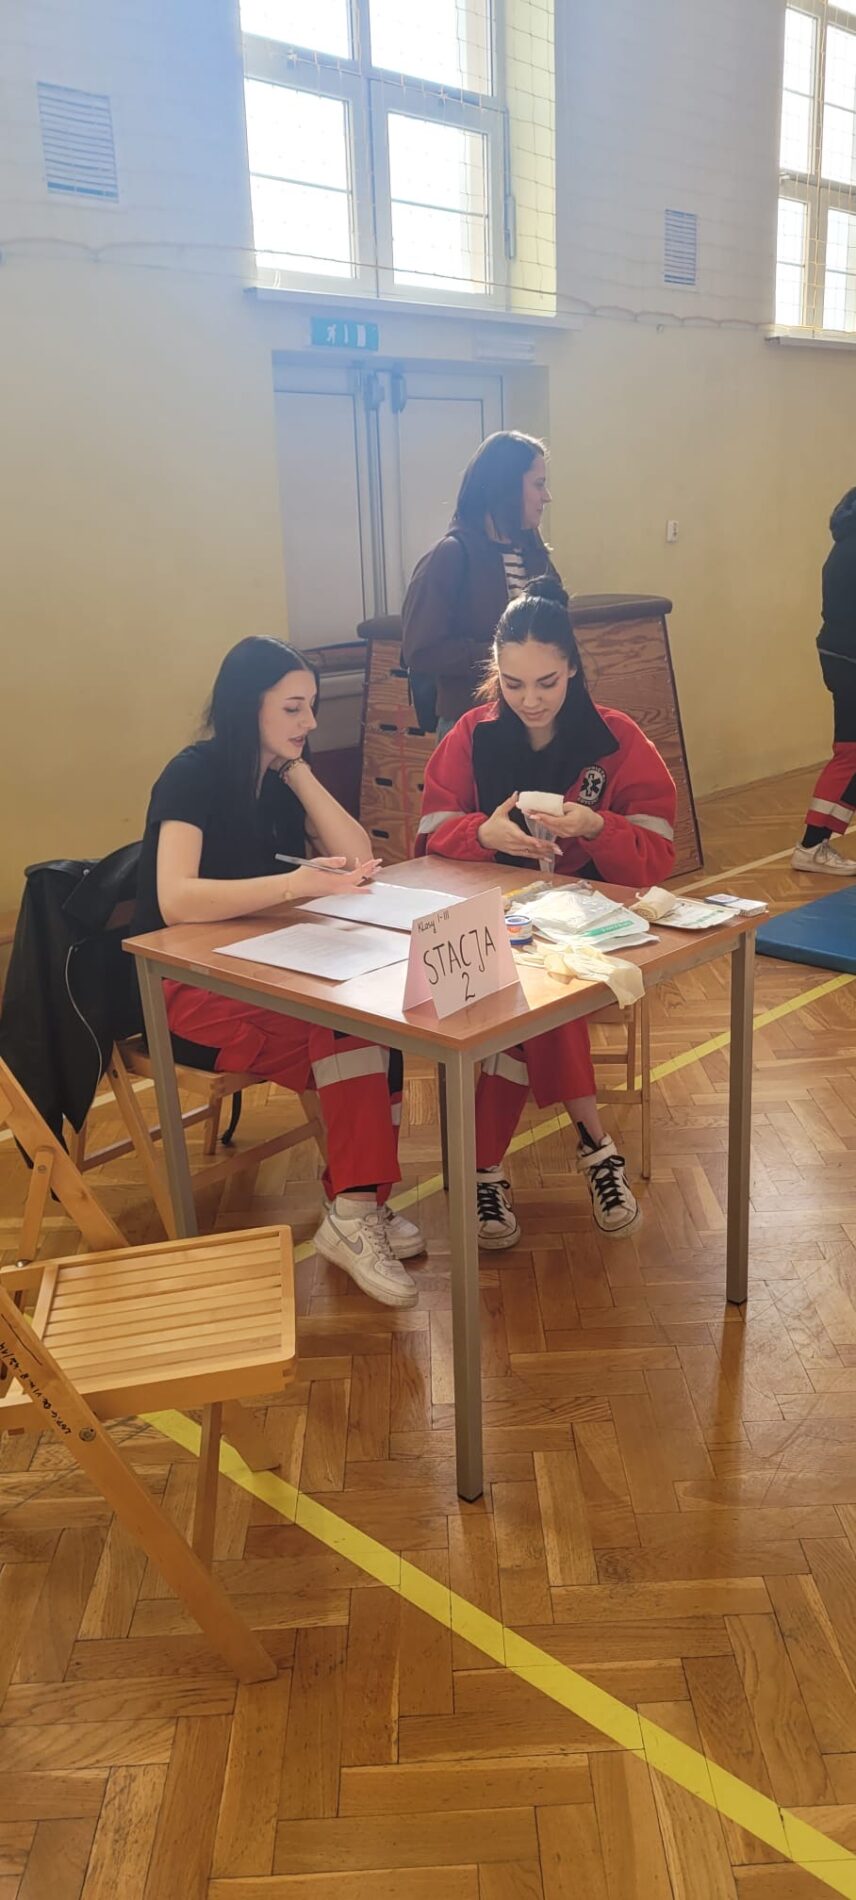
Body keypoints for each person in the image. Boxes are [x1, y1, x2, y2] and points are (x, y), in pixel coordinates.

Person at [134, 636, 425, 1307]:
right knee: (347, 1033)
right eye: (293, 708)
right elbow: (176, 898)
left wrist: (298, 772)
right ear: (247, 707)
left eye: (311, 706)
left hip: (263, 968)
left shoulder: (279, 780)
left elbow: (356, 856)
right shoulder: (192, 774)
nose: (309, 721)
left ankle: (355, 1206)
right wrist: (294, 885)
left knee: (371, 1024)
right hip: (184, 988)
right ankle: (356, 1207)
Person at [417, 576, 677, 1247]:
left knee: (534, 992)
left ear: (573, 669)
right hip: (486, 924)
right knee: (532, 989)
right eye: (512, 684)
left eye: (546, 682)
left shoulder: (617, 739)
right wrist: (481, 833)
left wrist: (598, 826)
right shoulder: (470, 735)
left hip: (589, 927)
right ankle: (596, 1146)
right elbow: (426, 837)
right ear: (494, 674)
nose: (529, 700)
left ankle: (484, 1169)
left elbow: (657, 857)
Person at [402, 431, 560, 739]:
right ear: (507, 487)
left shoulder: (534, 552)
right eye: (538, 484)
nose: (546, 496)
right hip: (473, 723)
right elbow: (420, 651)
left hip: (538, 720)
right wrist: (506, 654)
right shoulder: (449, 555)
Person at [792, 488, 856, 875]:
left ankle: (814, 844)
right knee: (851, 754)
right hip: (850, 659)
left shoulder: (844, 543)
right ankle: (812, 844)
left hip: (840, 655)